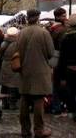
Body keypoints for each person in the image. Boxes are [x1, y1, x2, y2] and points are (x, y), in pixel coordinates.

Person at [17, 8, 55, 138]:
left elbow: (17, 51)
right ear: (38, 17)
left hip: (25, 71)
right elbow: (51, 53)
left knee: (24, 100)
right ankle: (39, 130)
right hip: (40, 72)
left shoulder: (21, 33)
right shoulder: (44, 33)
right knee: (38, 102)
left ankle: (25, 130)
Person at [49, 7, 68, 115]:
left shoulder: (51, 28)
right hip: (61, 59)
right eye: (64, 16)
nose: (66, 18)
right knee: (61, 84)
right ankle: (60, 106)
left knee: (55, 84)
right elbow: (63, 47)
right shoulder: (61, 30)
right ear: (58, 17)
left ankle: (55, 106)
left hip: (54, 59)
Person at [0, 27, 20, 111]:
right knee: (13, 85)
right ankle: (12, 103)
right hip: (14, 64)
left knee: (4, 85)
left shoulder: (4, 43)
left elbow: (0, 54)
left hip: (5, 64)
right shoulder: (17, 43)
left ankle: (4, 103)